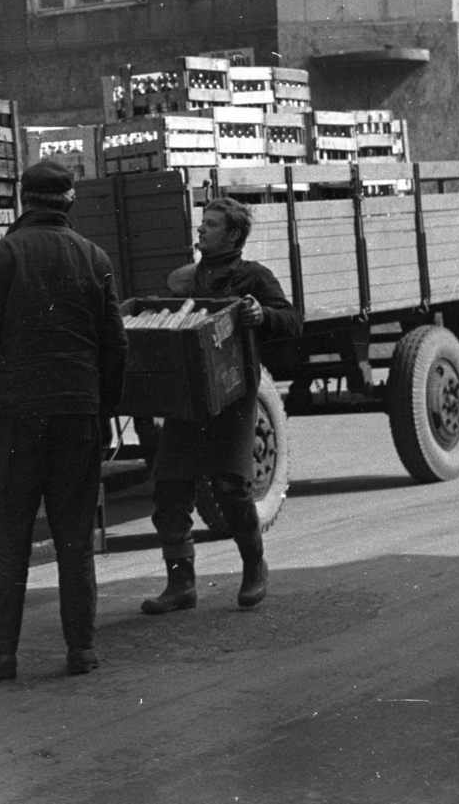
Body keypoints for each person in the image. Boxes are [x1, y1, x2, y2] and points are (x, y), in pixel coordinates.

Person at [0, 159, 128, 679]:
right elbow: (115, 343)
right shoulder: (95, 257)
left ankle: (0, 652)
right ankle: (82, 650)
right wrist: (104, 406)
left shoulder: (5, 255)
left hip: (18, 415)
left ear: (23, 199)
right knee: (75, 537)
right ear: (70, 200)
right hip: (78, 412)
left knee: (9, 534)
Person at [140, 196, 301, 615]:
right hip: (187, 399)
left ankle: (254, 567)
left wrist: (261, 314)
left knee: (232, 489)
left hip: (231, 398)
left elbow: (292, 320)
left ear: (232, 234)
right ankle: (181, 585)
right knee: (170, 491)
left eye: (210, 224)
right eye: (202, 223)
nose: (201, 230)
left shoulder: (254, 277)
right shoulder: (188, 279)